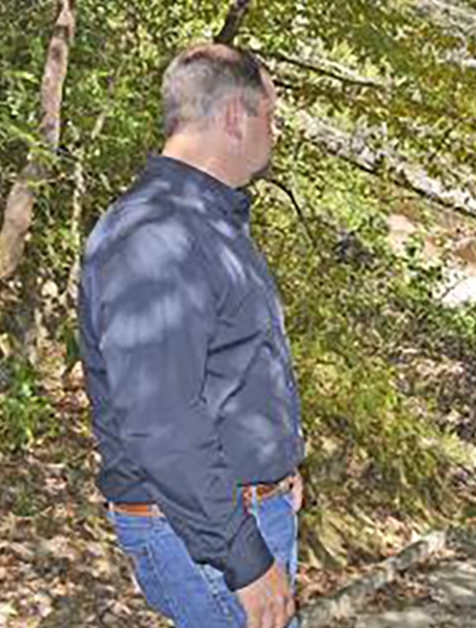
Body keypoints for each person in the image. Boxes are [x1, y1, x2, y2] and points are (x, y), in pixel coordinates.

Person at [78, 44, 305, 628]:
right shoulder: (153, 235)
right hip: (203, 538)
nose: (275, 133)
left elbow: (231, 366)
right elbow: (162, 422)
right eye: (270, 116)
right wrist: (245, 560)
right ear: (235, 117)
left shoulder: (203, 221)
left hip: (237, 515)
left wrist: (278, 467)